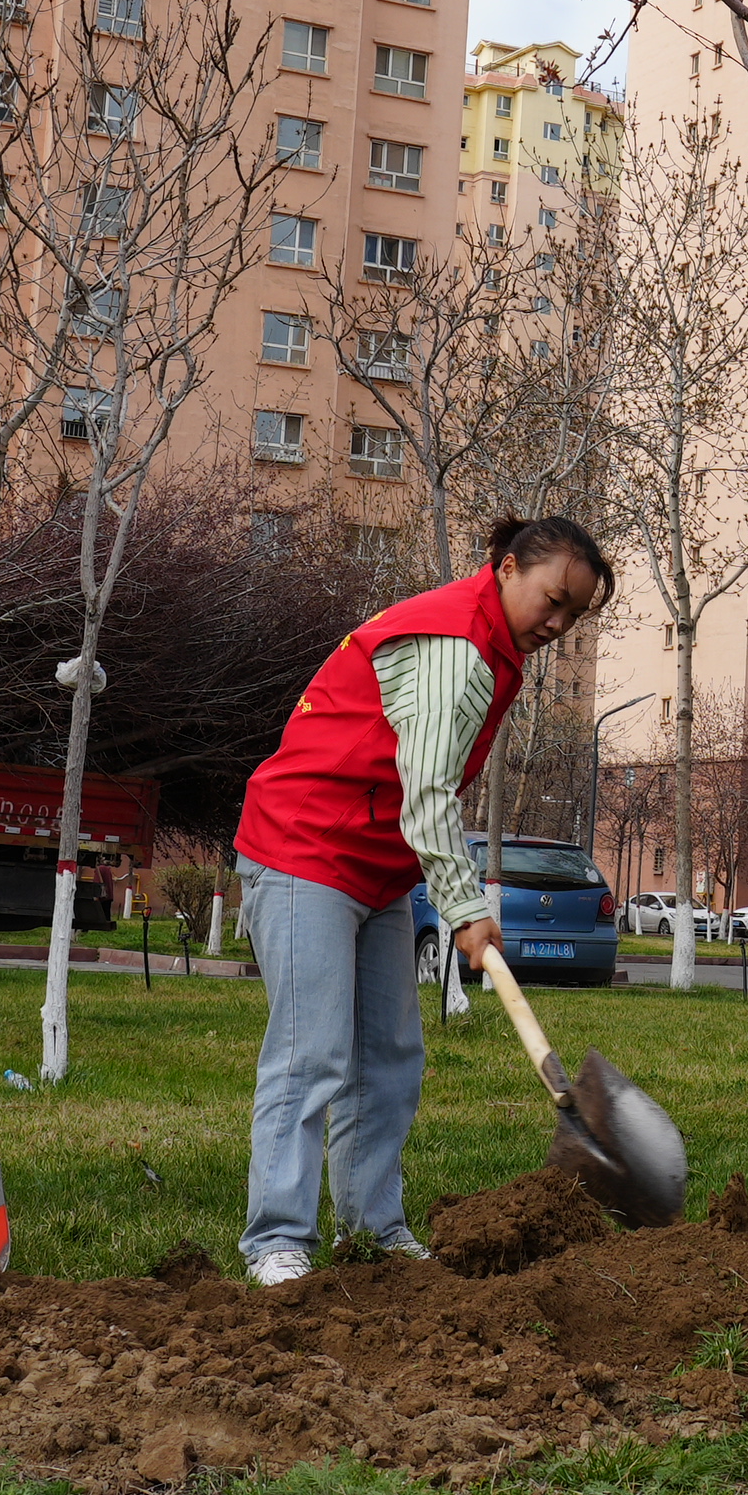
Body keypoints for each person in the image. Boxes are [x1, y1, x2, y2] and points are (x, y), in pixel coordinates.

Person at [230, 515, 610, 1286]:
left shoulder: (495, 645)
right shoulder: (457, 646)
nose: (560, 623)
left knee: (391, 1058)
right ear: (506, 569)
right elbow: (428, 794)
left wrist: (445, 894)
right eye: (554, 599)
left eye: (575, 613)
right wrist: (467, 909)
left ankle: (373, 1228)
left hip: (376, 864)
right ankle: (277, 1241)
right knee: (313, 1056)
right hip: (307, 845)